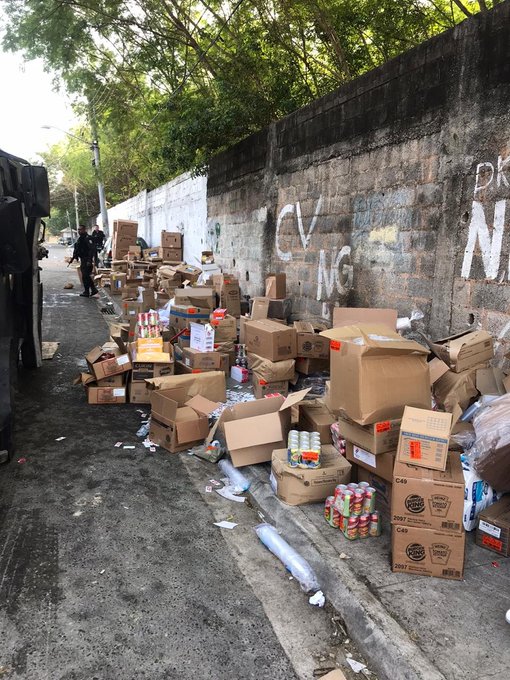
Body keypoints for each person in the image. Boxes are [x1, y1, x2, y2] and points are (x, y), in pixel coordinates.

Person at [70, 225, 99, 297]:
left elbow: (91, 250)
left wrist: (89, 260)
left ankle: (88, 291)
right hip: (83, 259)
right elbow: (77, 248)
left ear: (84, 230)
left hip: (87, 259)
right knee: (85, 276)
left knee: (85, 276)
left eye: (80, 229)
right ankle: (92, 290)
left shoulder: (87, 238)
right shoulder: (80, 238)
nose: (79, 231)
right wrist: (74, 256)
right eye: (78, 230)